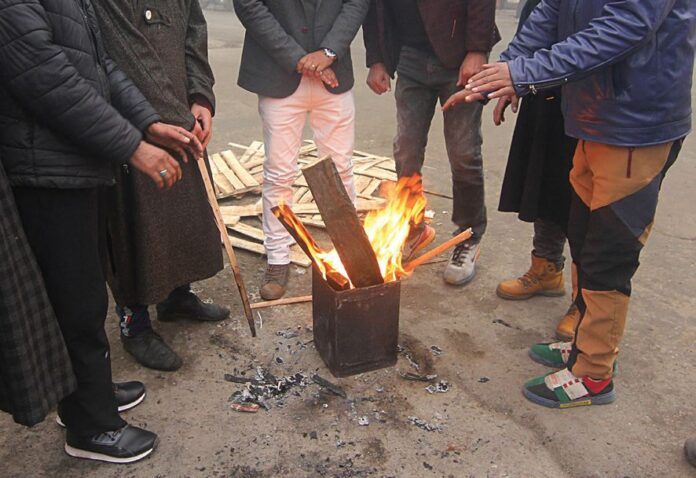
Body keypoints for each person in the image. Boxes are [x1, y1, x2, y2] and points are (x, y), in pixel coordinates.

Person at [446, 0, 694, 408]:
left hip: (635, 123)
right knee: (580, 232)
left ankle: (594, 373)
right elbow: (550, 9)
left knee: (608, 250)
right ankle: (584, 342)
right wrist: (507, 68)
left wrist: (523, 73)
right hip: (591, 117)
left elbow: (624, 27)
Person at [0, 0, 199, 462]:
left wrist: (147, 123)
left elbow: (99, 65)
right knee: (76, 299)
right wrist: (132, 146)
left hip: (77, 161)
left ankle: (87, 392)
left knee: (85, 293)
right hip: (43, 170)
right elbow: (50, 80)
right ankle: (91, 427)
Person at [92, 0, 229, 372]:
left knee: (184, 213)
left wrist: (200, 97)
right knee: (136, 223)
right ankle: (134, 324)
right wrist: (170, 115)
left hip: (181, 111)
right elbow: (126, 52)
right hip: (133, 117)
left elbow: (194, 32)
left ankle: (176, 297)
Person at [234, 0, 370, 300]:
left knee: (340, 170)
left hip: (334, 73)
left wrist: (329, 52)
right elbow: (248, 4)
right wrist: (298, 59)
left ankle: (351, 254)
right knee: (279, 172)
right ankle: (277, 258)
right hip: (278, 72)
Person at [363, 0, 499, 286]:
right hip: (409, 56)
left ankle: (468, 236)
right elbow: (374, 8)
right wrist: (377, 60)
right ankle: (413, 227)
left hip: (459, 56)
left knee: (463, 152)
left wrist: (477, 49)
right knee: (406, 150)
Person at [492, 0, 579, 341]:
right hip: (542, 91)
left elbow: (599, 41)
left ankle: (586, 300)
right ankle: (546, 268)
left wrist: (522, 74)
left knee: (583, 201)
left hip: (592, 98)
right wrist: (512, 77)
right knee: (542, 181)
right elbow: (536, 24)